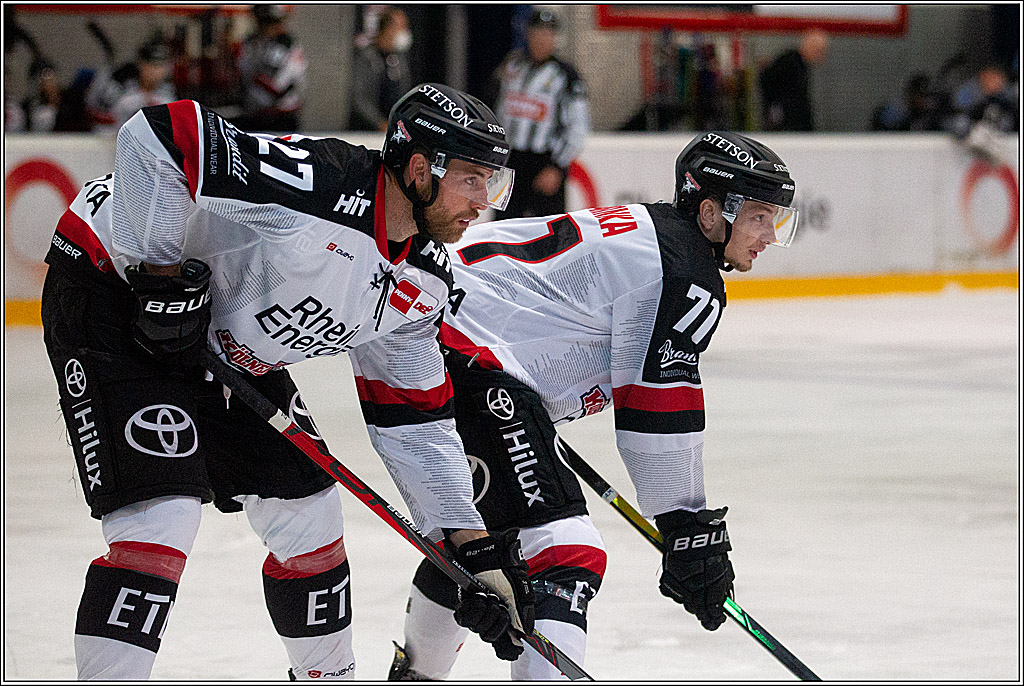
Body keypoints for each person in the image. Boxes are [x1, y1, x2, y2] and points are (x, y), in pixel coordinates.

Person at [39, 83, 533, 680]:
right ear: (421, 169)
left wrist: (470, 543)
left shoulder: (423, 279)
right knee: (162, 519)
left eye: (492, 183)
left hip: (220, 342)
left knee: (311, 513)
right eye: (472, 180)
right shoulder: (319, 186)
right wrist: (160, 275)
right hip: (111, 291)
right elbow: (160, 136)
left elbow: (415, 420)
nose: (483, 202)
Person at [388, 131, 800, 680]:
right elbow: (657, 403)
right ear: (710, 213)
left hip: (425, 336)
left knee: (485, 541)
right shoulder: (684, 271)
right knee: (564, 551)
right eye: (759, 216)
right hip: (464, 354)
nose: (770, 234)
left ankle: (415, 675)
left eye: (776, 219)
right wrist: (685, 525)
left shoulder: (656, 240)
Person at [492, 9, 589, 219]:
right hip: (511, 160)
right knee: (502, 224)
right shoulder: (512, 66)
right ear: (527, 34)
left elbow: (578, 127)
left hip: (544, 162)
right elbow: (498, 110)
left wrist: (557, 166)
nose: (541, 39)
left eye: (547, 33)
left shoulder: (565, 76)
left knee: (547, 228)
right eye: (536, 33)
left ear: (555, 37)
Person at [234, 5, 307, 132]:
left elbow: (283, 85)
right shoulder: (251, 43)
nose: (267, 27)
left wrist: (259, 81)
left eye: (272, 22)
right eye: (262, 22)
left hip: (282, 115)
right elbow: (243, 71)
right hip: (255, 115)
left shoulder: (288, 44)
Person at [87, 40, 176, 132]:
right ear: (140, 64)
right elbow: (99, 118)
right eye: (150, 65)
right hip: (110, 137)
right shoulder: (118, 86)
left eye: (160, 66)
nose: (154, 71)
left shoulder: (170, 93)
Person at [349, 7, 413, 132]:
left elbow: (404, 93)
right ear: (388, 29)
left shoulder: (399, 58)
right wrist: (379, 123)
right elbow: (359, 98)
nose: (404, 32)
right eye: (401, 27)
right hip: (366, 131)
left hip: (392, 128)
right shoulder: (367, 57)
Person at [758, 29, 828, 131]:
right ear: (810, 45)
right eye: (819, 50)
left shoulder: (800, 65)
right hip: (787, 127)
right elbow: (767, 82)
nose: (821, 55)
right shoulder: (789, 62)